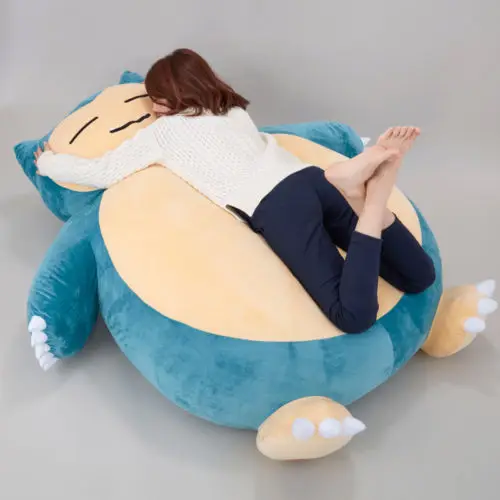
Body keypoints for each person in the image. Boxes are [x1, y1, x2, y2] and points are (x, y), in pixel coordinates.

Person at [35, 48, 436, 334]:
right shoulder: (231, 110)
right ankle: (360, 195)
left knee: (352, 316)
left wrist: (50, 163)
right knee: (420, 276)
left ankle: (373, 203)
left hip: (278, 208)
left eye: (155, 100)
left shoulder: (163, 134)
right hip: (311, 179)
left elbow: (103, 170)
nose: (152, 108)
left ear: (169, 98)